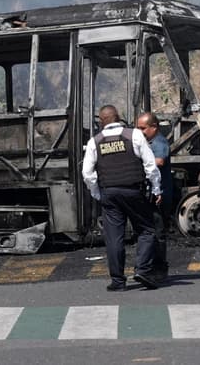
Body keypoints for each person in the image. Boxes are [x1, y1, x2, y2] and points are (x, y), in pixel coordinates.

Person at [82, 105, 162, 291]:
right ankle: (142, 270)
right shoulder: (134, 135)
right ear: (118, 117)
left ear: (101, 121)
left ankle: (118, 281)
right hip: (133, 191)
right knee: (146, 230)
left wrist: (97, 193)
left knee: (114, 238)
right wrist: (157, 189)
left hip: (109, 194)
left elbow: (87, 173)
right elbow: (150, 166)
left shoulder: (95, 142)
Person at [136, 112, 173, 281]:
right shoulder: (147, 142)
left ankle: (159, 268)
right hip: (151, 193)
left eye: (143, 128)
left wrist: (139, 162)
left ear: (154, 127)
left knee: (158, 232)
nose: (140, 131)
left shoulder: (159, 142)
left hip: (160, 194)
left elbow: (159, 161)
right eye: (138, 128)